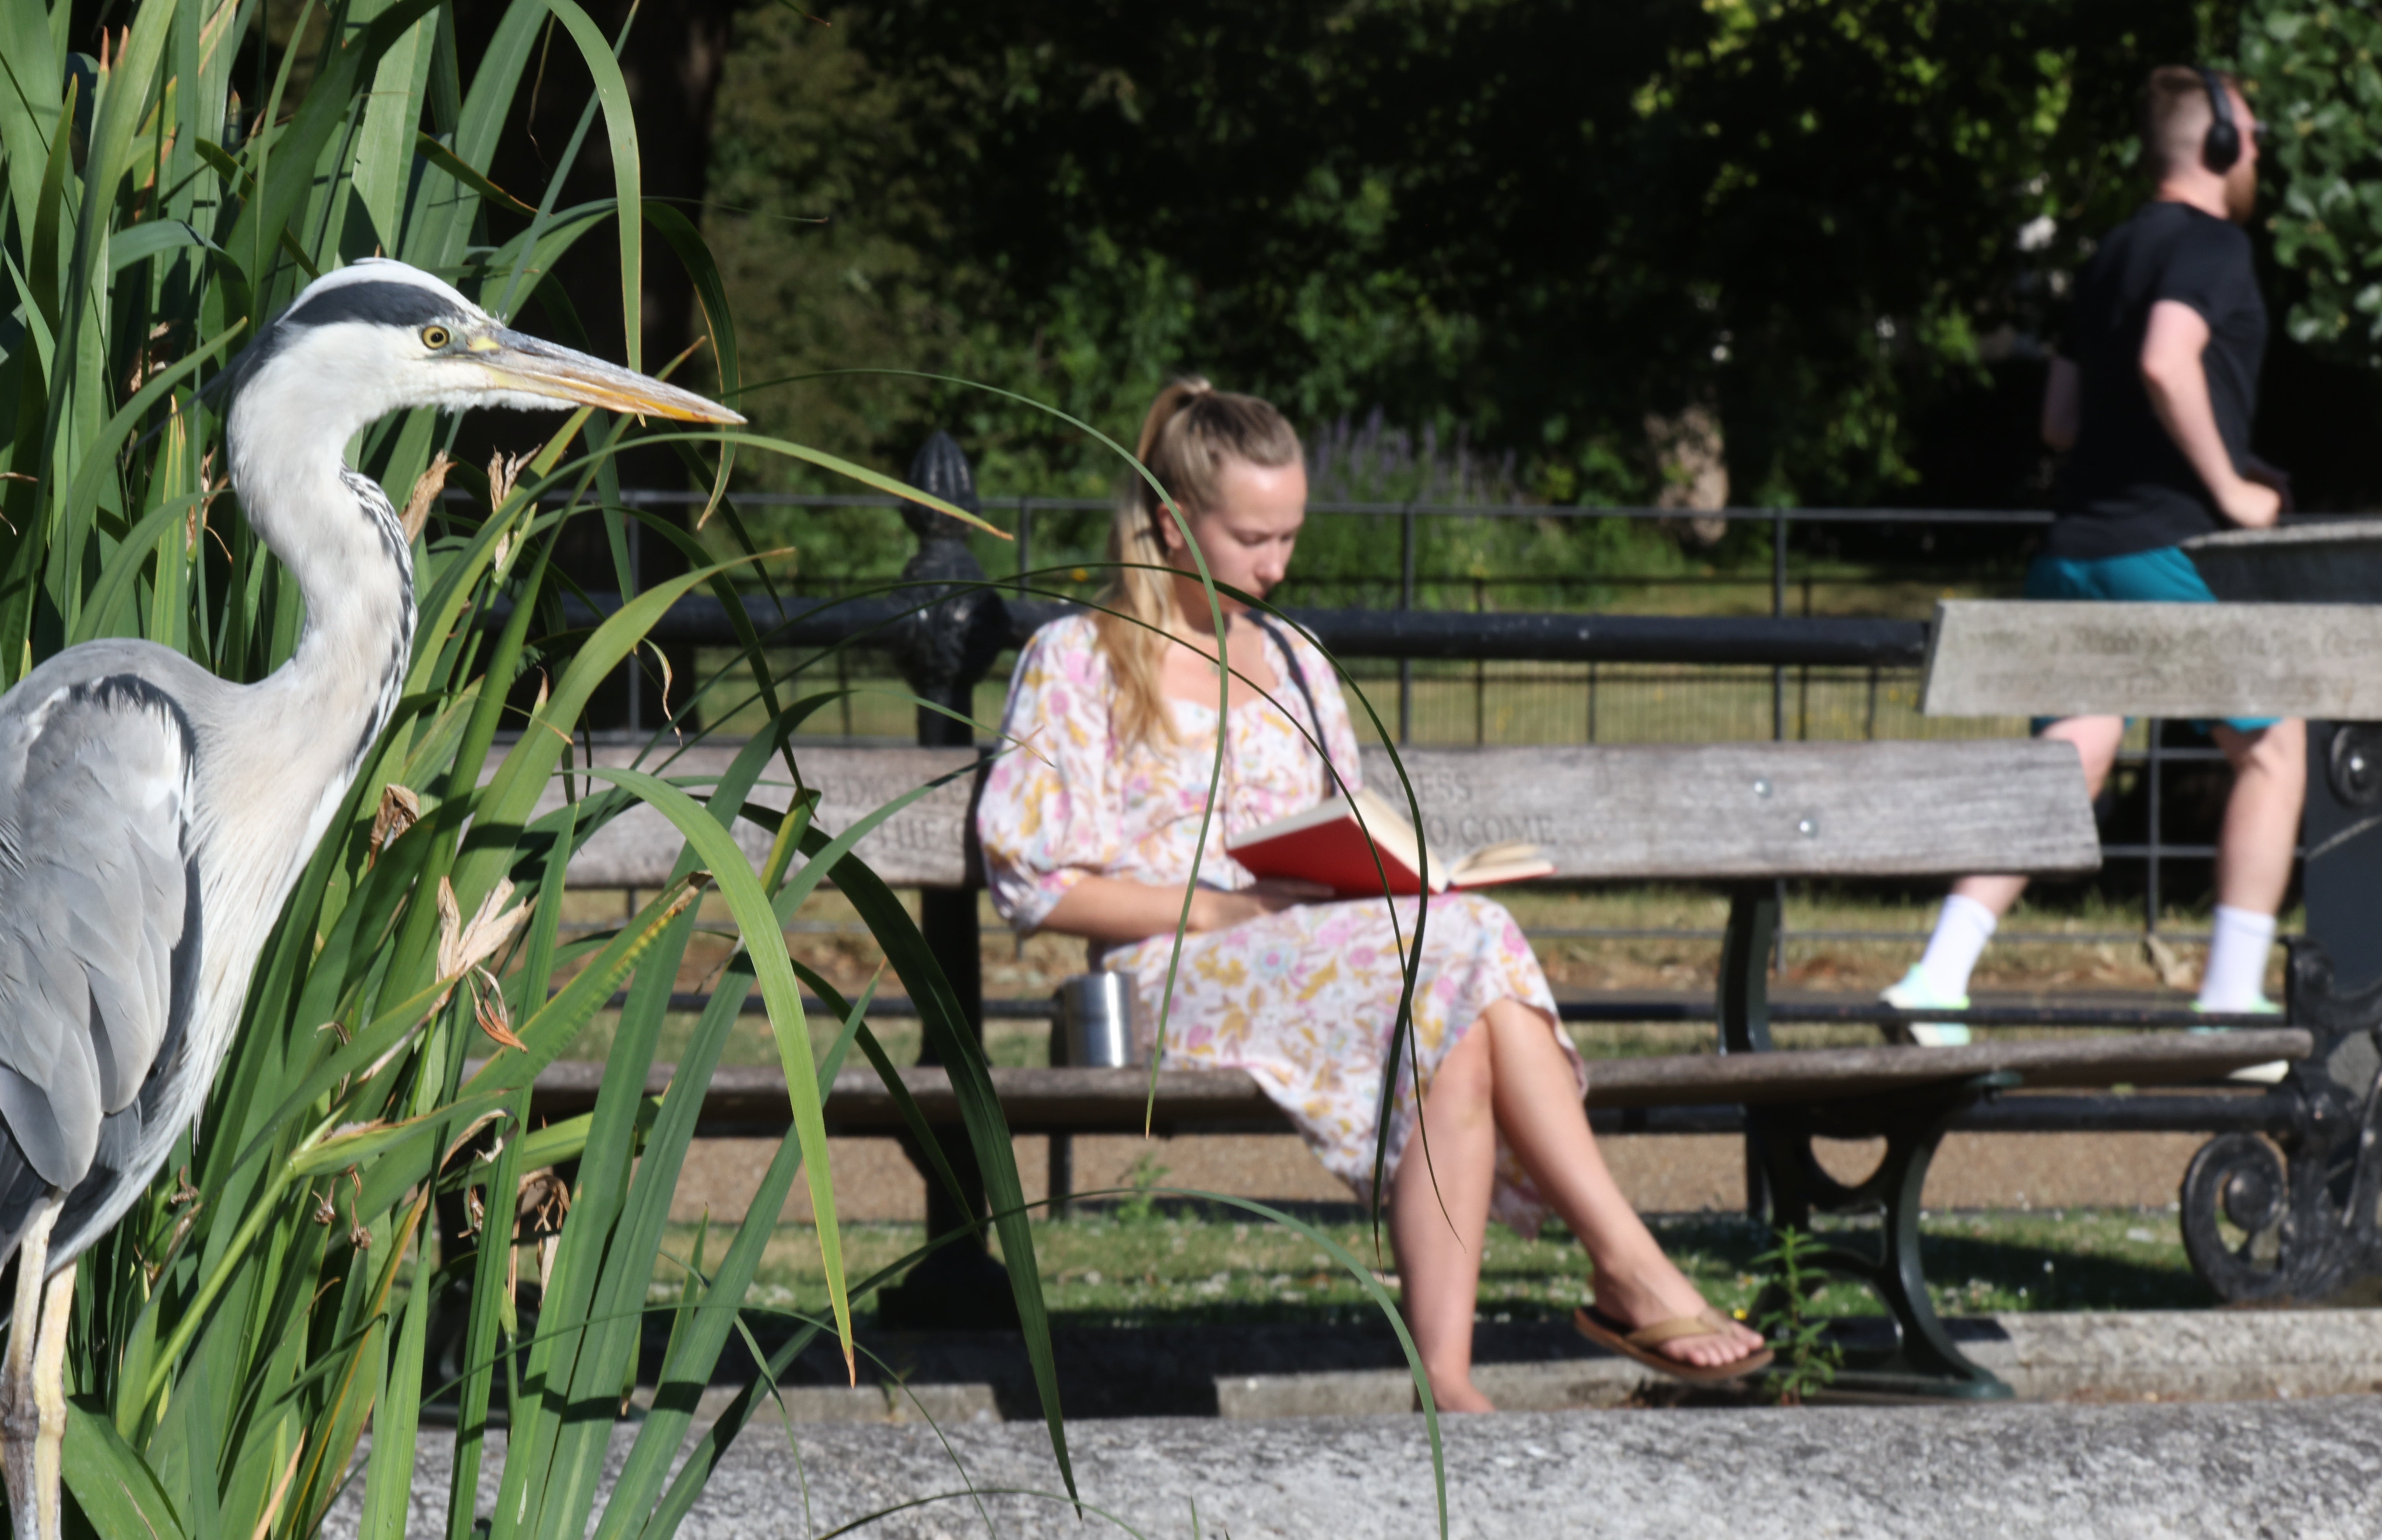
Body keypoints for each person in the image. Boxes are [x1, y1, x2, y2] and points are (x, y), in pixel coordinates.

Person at [974, 377, 1766, 1411]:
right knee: (1467, 955)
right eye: (1253, 536)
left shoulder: (1297, 662)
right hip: (1170, 975)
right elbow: (1028, 878)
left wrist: (1384, 876)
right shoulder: (1080, 659)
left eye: (1292, 535)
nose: (1278, 563)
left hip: (1328, 958)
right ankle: (1625, 1266)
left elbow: (1346, 827)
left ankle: (1446, 1377)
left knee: (1462, 993)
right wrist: (1221, 911)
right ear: (1170, 527)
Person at [1883, 66, 2303, 1053]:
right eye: (2252, 135)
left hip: (2072, 551)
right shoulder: (2214, 247)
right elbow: (2167, 358)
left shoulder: (2110, 253)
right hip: (2167, 545)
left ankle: (1934, 978)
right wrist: (2235, 491)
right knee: (2276, 752)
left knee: (2074, 750)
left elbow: (2060, 421)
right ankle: (2227, 1006)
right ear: (2218, 146)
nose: (2259, 153)